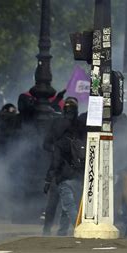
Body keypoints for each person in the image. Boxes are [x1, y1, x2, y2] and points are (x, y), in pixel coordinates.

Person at [43, 97, 86, 236]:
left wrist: (58, 151)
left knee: (60, 203)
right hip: (75, 170)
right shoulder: (80, 125)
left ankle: (52, 231)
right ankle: (60, 231)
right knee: (67, 203)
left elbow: (46, 144)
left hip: (61, 169)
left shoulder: (59, 124)